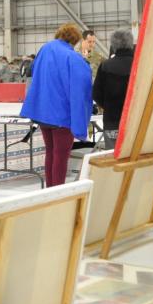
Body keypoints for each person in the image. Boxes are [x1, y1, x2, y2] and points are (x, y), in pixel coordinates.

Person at [20, 24, 93, 186]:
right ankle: (58, 192)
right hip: (62, 115)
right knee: (61, 155)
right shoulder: (73, 57)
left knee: (50, 153)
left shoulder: (44, 50)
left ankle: (50, 189)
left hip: (43, 113)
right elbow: (81, 89)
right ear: (75, 40)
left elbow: (32, 73)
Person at [92, 29, 135, 149]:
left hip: (112, 121)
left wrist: (108, 106)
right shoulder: (139, 65)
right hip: (136, 121)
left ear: (113, 45)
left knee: (112, 156)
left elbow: (96, 93)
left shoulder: (105, 65)